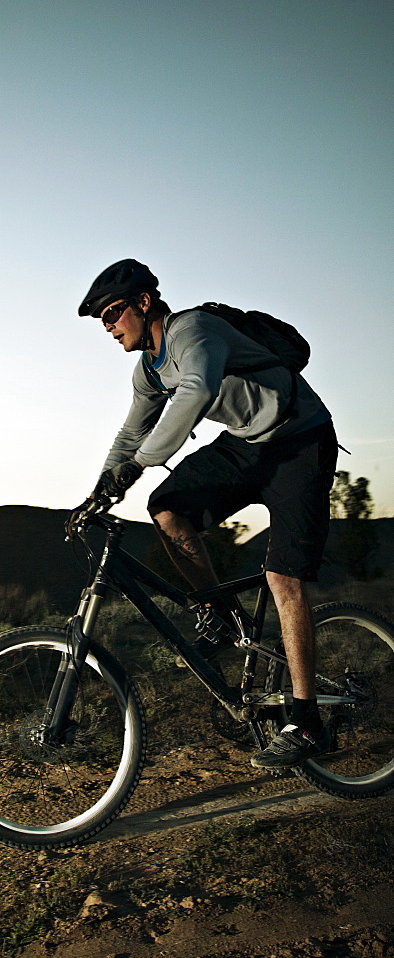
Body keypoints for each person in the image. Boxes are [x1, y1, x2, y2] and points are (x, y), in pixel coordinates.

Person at [72, 258, 338, 769]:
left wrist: (141, 464)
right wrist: (100, 491)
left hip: (300, 442)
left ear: (144, 303)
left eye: (113, 314)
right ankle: (217, 612)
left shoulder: (195, 331)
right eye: (102, 320)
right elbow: (130, 436)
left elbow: (198, 391)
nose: (108, 327)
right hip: (247, 445)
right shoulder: (148, 370)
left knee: (283, 578)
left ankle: (307, 721)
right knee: (167, 507)